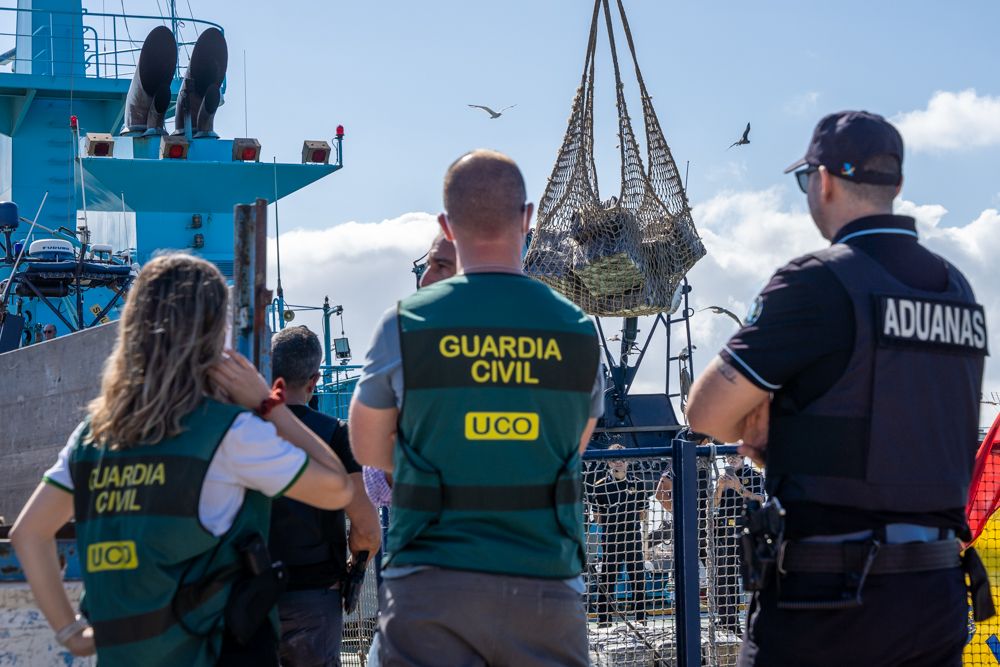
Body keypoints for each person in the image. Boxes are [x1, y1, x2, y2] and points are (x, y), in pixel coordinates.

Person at [686, 111, 989, 667]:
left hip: (830, 603)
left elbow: (705, 412)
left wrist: (776, 422)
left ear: (821, 181)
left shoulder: (818, 281)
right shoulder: (959, 290)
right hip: (938, 596)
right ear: (897, 185)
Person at [9, 253, 354, 667]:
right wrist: (269, 404)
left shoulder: (92, 436)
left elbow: (28, 533)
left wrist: (73, 635)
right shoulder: (227, 434)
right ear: (213, 336)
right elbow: (337, 488)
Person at [349, 149, 604, 667]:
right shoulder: (577, 330)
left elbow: (366, 444)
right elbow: (571, 444)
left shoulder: (405, 323)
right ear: (528, 218)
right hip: (546, 585)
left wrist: (441, 462)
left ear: (447, 223)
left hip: (431, 583)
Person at [268, 325, 380, 667]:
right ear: (315, 380)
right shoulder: (335, 434)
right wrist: (356, 564)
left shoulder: (246, 429)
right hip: (315, 594)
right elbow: (367, 528)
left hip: (253, 593)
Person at [587, 444, 650, 626]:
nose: (619, 462)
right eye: (615, 459)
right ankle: (604, 621)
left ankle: (641, 619)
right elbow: (597, 518)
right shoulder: (600, 487)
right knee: (608, 579)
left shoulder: (637, 483)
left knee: (637, 579)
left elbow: (643, 513)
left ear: (627, 461)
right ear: (609, 462)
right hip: (611, 539)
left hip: (632, 538)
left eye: (622, 459)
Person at [711, 455, 763, 634]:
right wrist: (720, 488)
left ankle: (756, 622)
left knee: (752, 577)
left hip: (746, 530)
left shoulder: (754, 475)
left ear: (742, 458)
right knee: (724, 578)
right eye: (728, 457)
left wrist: (739, 488)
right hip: (725, 532)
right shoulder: (722, 477)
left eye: (735, 457)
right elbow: (713, 504)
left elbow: (760, 500)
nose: (731, 460)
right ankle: (727, 621)